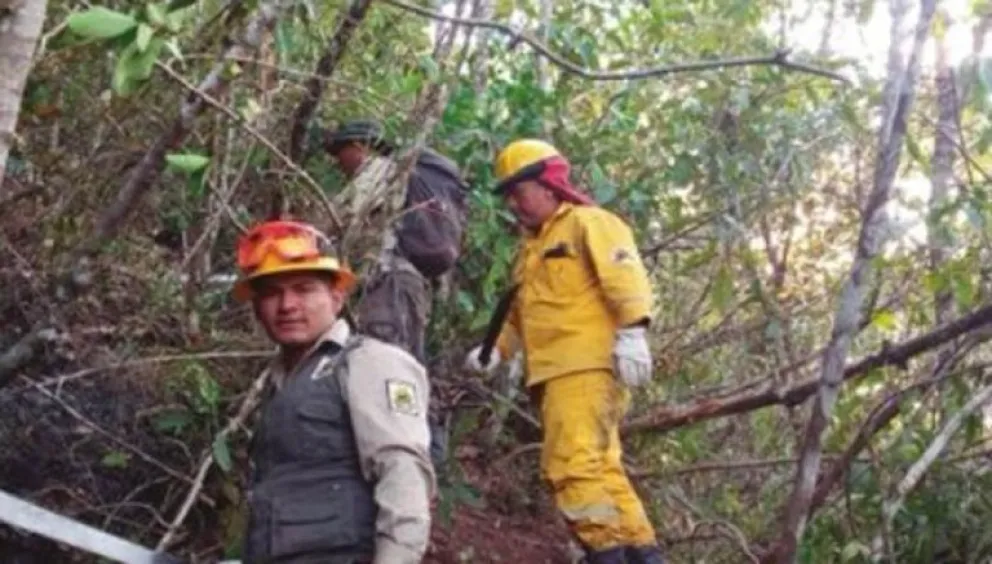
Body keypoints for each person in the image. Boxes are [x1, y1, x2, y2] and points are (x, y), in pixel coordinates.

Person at [463, 139, 665, 564]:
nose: (515, 205)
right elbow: (518, 315)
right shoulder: (532, 250)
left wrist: (633, 331)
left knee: (570, 467)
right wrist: (494, 351)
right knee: (601, 469)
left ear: (548, 185)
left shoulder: (589, 222)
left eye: (519, 193)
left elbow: (623, 273)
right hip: (555, 372)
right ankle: (640, 554)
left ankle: (605, 552)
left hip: (585, 366)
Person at [232, 219, 435, 564]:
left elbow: (403, 474)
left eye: (304, 289)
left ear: (337, 298)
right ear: (256, 308)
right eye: (271, 293)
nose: (287, 305)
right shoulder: (280, 382)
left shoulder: (369, 362)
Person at [322, 119, 468, 473]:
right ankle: (418, 448)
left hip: (390, 285)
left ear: (360, 146)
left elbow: (341, 217)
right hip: (408, 286)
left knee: (389, 362)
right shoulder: (405, 179)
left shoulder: (380, 170)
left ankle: (409, 454)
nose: (339, 163)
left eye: (342, 153)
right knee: (405, 361)